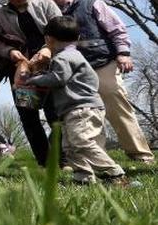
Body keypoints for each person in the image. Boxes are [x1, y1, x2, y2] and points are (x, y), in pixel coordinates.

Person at [36, 0, 154, 164]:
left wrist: (123, 53)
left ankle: (141, 155)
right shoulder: (54, 18)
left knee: (118, 110)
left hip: (103, 64)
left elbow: (117, 29)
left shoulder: (92, 4)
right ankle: (98, 162)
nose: (44, 0)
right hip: (76, 75)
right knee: (85, 116)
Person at [25, 17, 131, 185]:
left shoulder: (63, 58)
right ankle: (83, 177)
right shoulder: (75, 55)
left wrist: (34, 80)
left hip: (81, 109)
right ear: (78, 38)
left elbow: (59, 78)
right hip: (77, 109)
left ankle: (115, 174)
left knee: (81, 142)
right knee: (70, 146)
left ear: (48, 39)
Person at [0, 0, 62, 167]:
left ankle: (61, 157)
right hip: (23, 72)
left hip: (52, 68)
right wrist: (10, 51)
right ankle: (44, 161)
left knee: (57, 114)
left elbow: (62, 31)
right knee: (29, 116)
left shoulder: (46, 4)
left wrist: (48, 49)